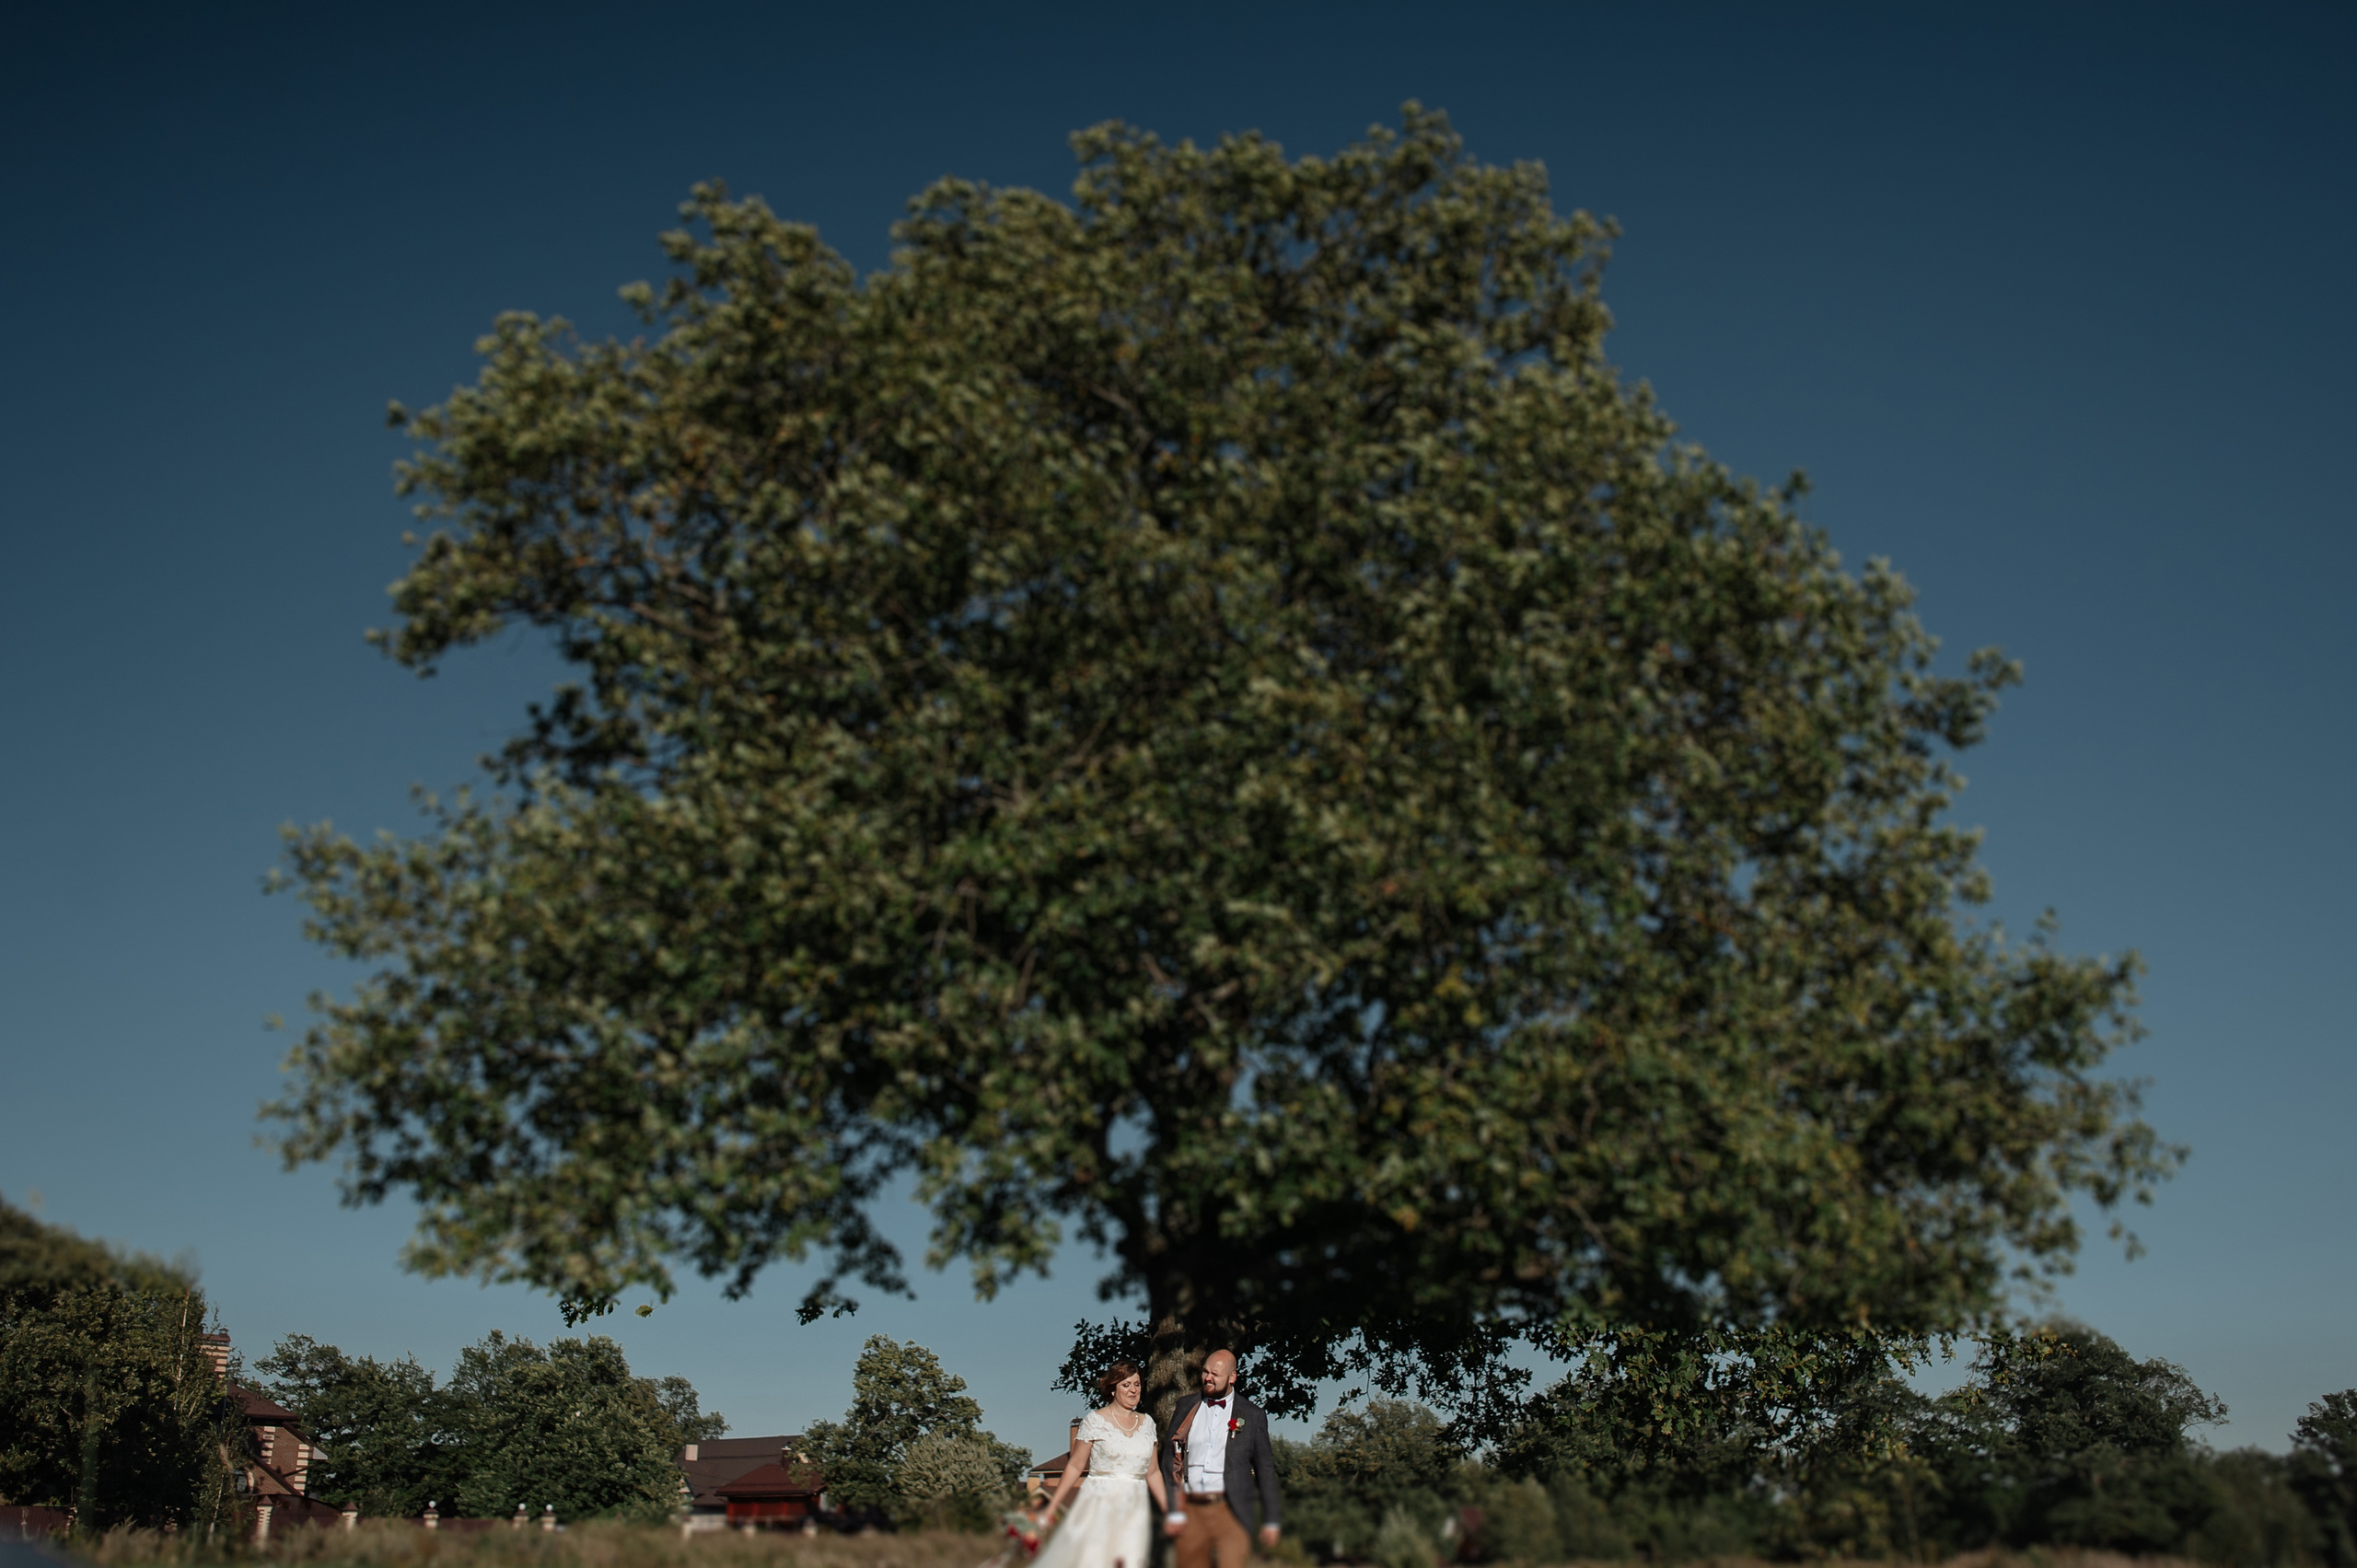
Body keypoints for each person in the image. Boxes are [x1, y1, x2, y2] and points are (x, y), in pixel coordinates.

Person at [1029, 1361, 1168, 1568]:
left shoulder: (1148, 1423)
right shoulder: (1095, 1421)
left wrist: (1169, 1510)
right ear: (1113, 1389)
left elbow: (1154, 1472)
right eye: (1126, 1385)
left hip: (1134, 1506)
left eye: (1137, 1384)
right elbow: (1076, 1466)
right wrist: (1052, 1508)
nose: (1133, 1390)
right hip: (1100, 1502)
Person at [1160, 1350, 1282, 1568]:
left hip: (1232, 1511)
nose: (1208, 1378)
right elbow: (1169, 1459)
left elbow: (1265, 1469)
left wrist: (1271, 1520)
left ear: (1232, 1377)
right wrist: (1173, 1509)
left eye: (1215, 1374)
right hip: (1190, 1510)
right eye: (1205, 1372)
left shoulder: (1253, 1415)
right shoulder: (1185, 1406)